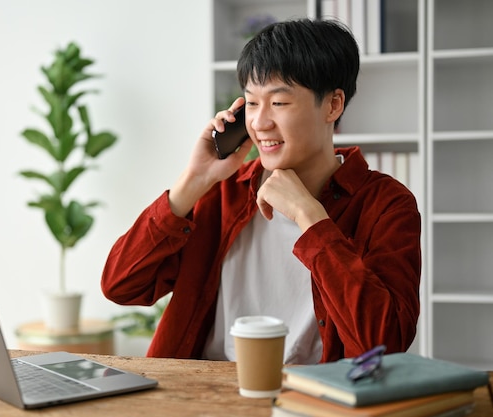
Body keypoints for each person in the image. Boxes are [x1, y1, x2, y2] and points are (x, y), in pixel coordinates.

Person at [101, 18, 421, 364]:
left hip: (314, 401)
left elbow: (385, 344)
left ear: (333, 105)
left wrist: (311, 218)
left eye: (279, 103)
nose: (259, 122)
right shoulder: (223, 192)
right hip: (205, 396)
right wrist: (193, 181)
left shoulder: (387, 205)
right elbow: (121, 285)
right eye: (251, 103)